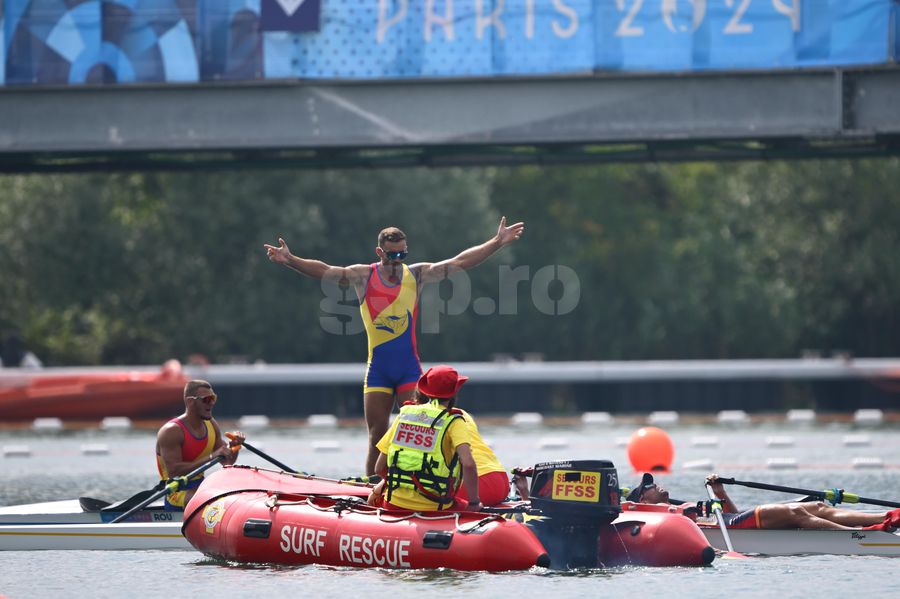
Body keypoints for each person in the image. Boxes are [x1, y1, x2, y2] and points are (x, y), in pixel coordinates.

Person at [265, 217, 525, 476]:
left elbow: (459, 263)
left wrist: (497, 242)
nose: (398, 259)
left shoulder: (417, 274)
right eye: (392, 254)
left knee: (418, 433)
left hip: (408, 371)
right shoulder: (363, 275)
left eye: (403, 253)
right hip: (378, 370)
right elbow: (325, 271)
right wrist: (290, 260)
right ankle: (369, 489)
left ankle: (416, 487)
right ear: (379, 252)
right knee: (377, 437)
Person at [368, 365, 482, 512]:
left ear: (426, 390)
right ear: (454, 392)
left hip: (394, 503)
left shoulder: (405, 415)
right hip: (435, 506)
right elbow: (468, 464)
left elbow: (379, 468)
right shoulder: (454, 421)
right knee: (467, 505)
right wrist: (474, 503)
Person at [628, 472, 900, 531]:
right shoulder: (655, 512)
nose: (657, 485)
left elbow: (731, 514)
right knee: (794, 511)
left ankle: (886, 517)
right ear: (643, 498)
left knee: (817, 506)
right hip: (728, 530)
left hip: (733, 521)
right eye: (650, 486)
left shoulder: (675, 505)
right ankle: (860, 535)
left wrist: (720, 492)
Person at [156, 380, 245, 511]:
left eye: (213, 398)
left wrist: (235, 447)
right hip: (176, 492)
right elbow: (174, 471)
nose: (212, 403)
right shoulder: (171, 431)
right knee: (217, 500)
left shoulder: (211, 424)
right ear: (190, 401)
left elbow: (228, 461)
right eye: (207, 399)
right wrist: (211, 456)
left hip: (201, 487)